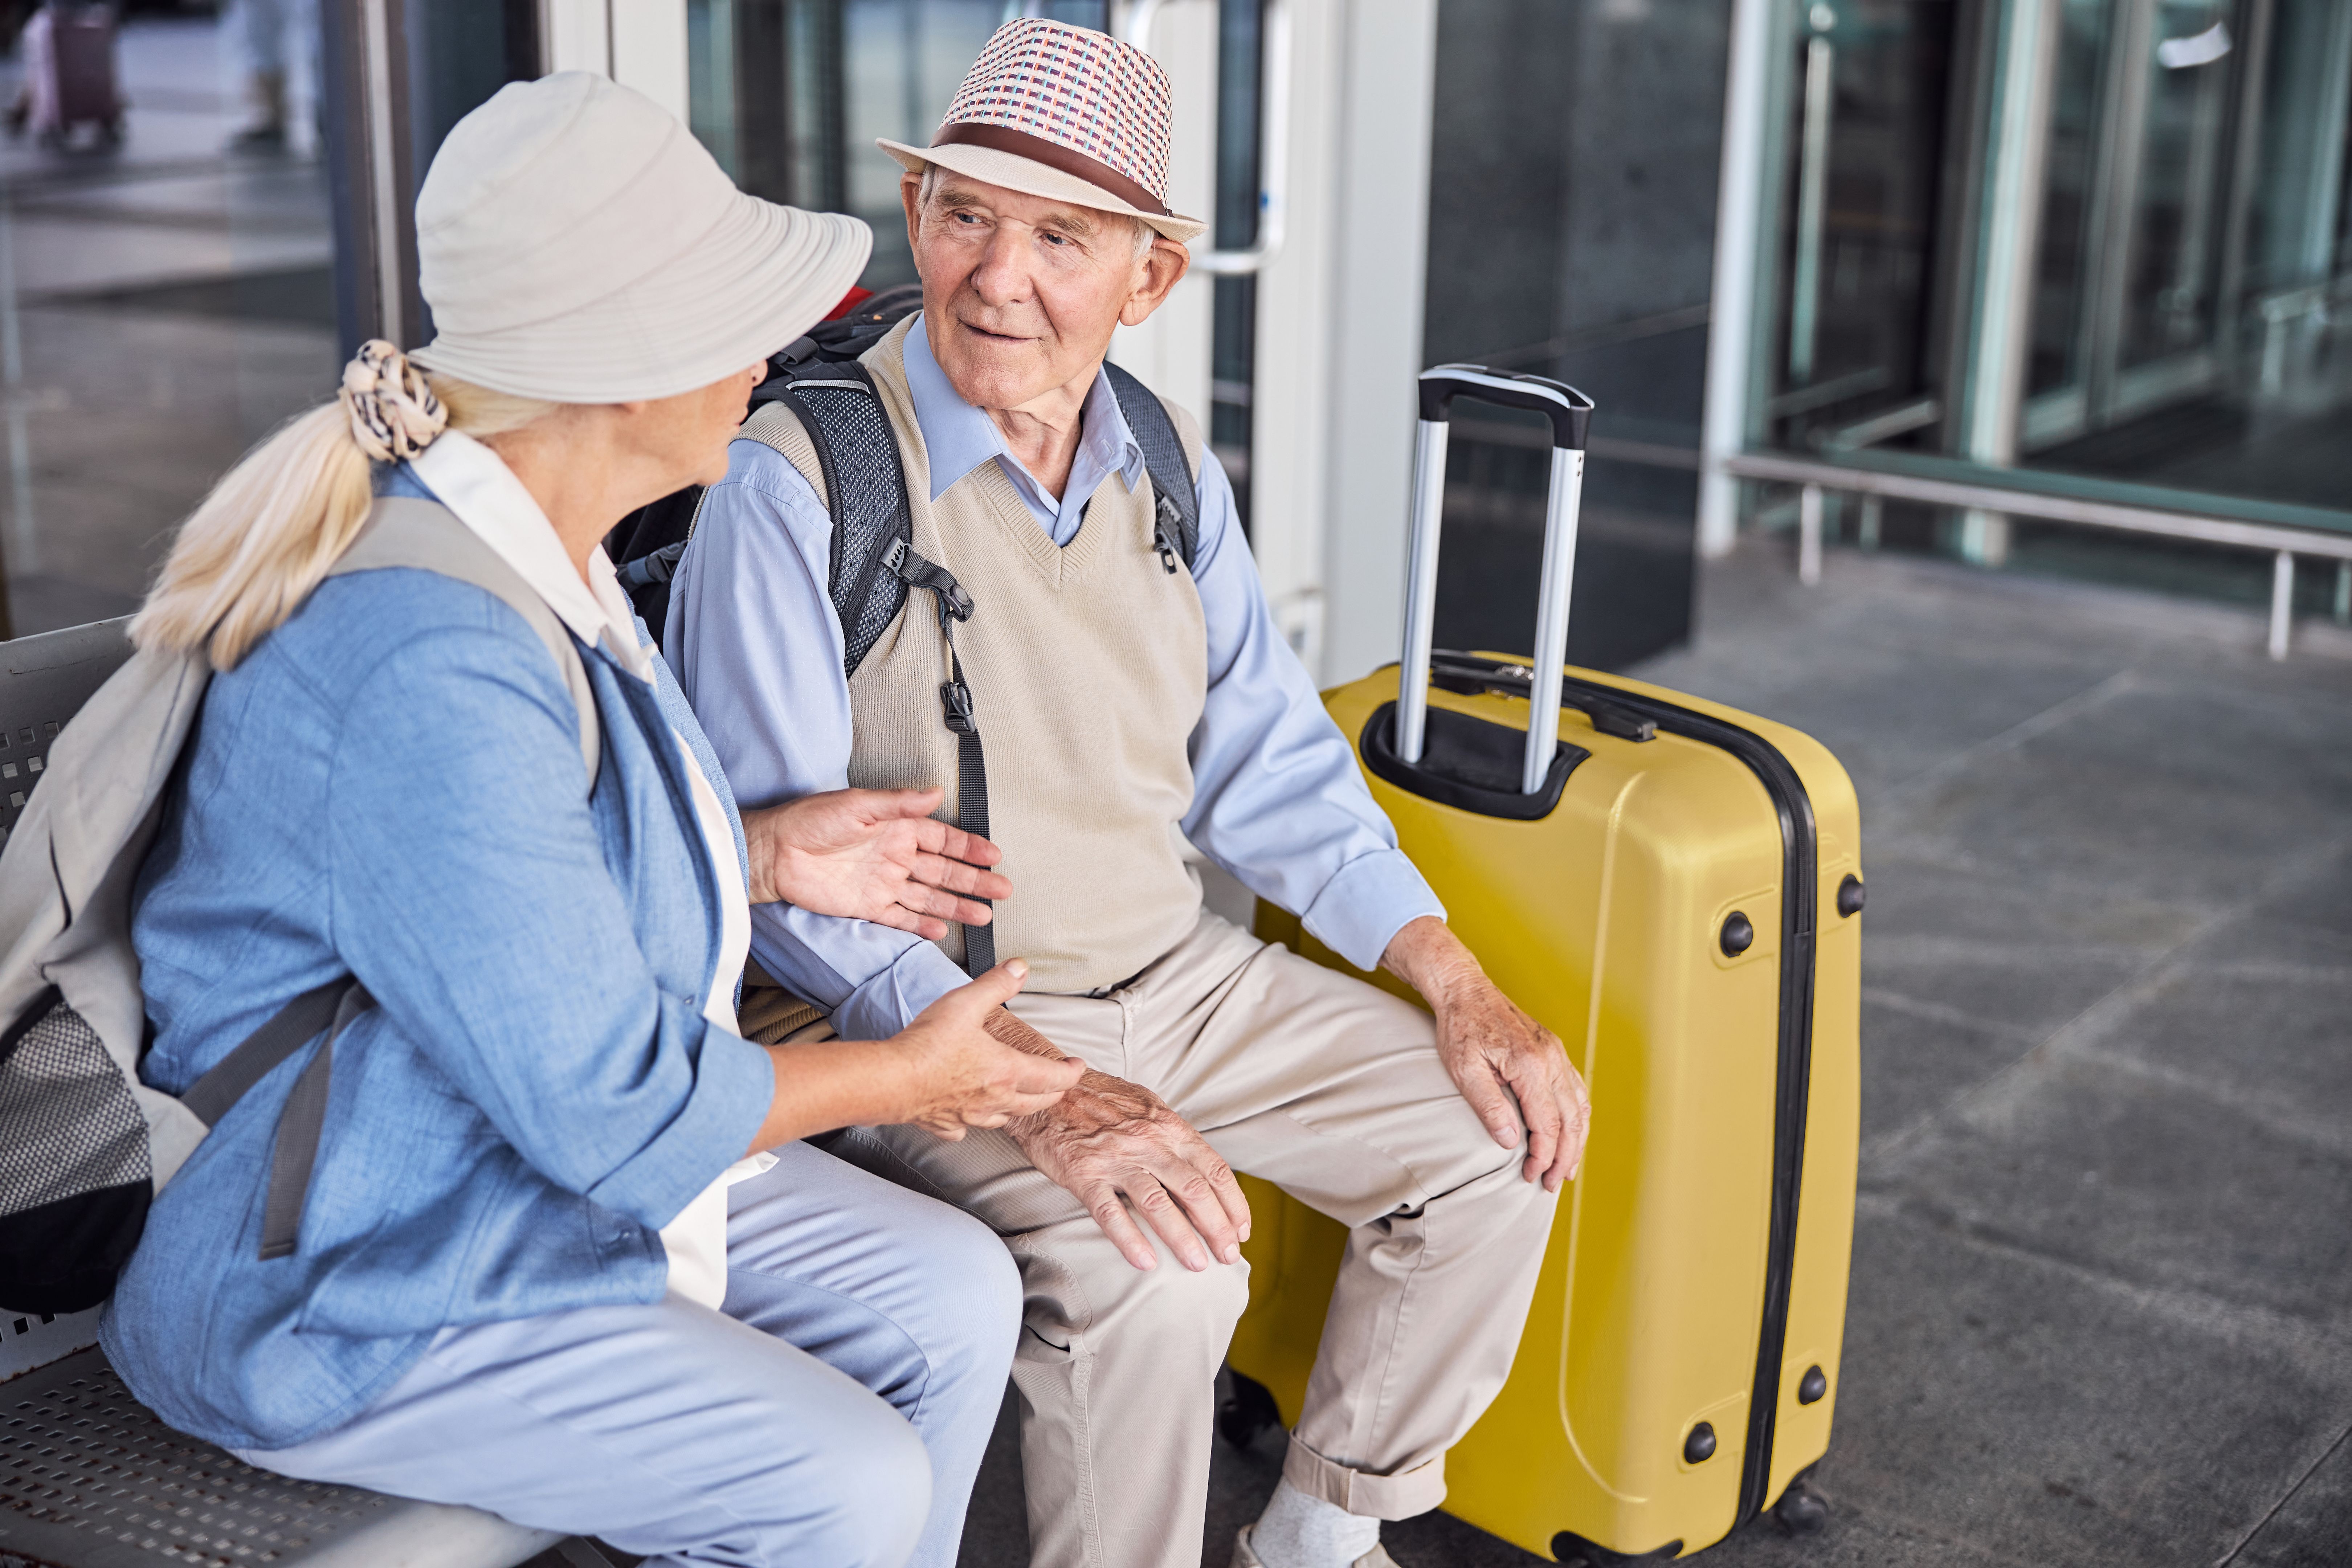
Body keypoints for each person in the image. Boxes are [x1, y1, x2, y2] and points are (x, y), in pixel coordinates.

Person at [102, 72, 1080, 1568]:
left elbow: (496, 886)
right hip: (346, 1267)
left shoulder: (536, 554)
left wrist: (755, 853)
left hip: (467, 1146)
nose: (767, 354)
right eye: (731, 316)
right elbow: (609, 1112)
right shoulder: (428, 650)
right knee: (842, 1485)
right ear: (627, 367)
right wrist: (904, 1075)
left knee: (949, 1293)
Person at [667, 20, 1594, 1568]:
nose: (996, 276)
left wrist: (1455, 980)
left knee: (1494, 1135)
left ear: (1149, 279)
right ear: (916, 217)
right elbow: (791, 907)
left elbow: (1272, 762)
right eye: (964, 215)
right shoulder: (799, 481)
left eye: (1060, 237)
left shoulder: (1165, 459)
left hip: (1177, 973)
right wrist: (1052, 1091)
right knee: (1163, 1277)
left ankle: (1319, 1531)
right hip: (931, 1020)